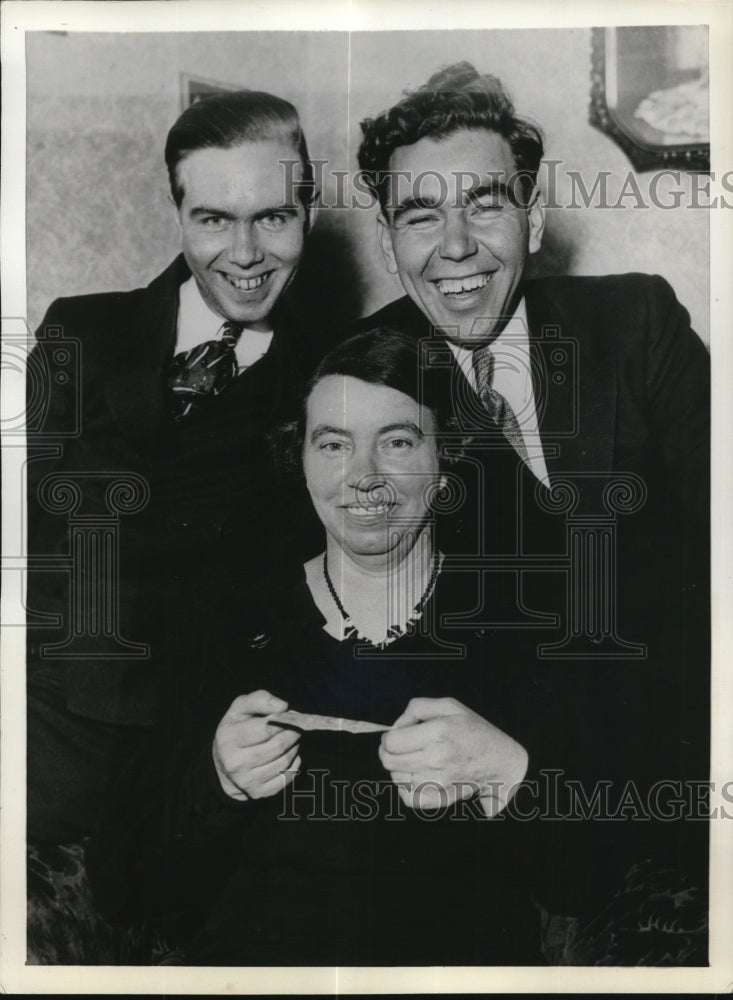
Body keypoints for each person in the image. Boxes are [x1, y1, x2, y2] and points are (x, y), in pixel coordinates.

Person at [355, 62, 710, 921]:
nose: (454, 247)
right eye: (419, 215)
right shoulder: (364, 377)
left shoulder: (635, 324)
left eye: (483, 203)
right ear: (388, 241)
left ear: (535, 216)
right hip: (513, 816)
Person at [87, 328, 561, 966]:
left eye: (397, 442)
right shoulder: (228, 622)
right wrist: (219, 781)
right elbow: (125, 891)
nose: (363, 478)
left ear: (445, 459)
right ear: (300, 460)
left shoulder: (525, 625)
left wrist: (506, 772)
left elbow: (592, 878)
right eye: (333, 445)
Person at [26, 89, 327, 844]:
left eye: (273, 217)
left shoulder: (332, 378)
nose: (246, 253)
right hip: (37, 703)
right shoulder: (81, 329)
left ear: (309, 215)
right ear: (180, 215)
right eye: (214, 219)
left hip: (196, 744)